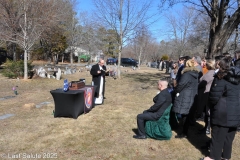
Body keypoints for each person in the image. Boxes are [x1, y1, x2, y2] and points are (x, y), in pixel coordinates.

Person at [202, 57, 240, 160]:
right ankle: (226, 157)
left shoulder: (220, 78)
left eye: (217, 65)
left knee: (218, 137)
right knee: (228, 138)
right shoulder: (238, 79)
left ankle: (214, 157)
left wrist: (210, 106)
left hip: (222, 113)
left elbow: (214, 97)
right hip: (235, 113)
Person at [172, 59, 199, 138]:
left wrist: (175, 91)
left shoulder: (187, 74)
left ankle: (184, 133)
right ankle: (185, 131)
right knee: (186, 114)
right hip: (191, 95)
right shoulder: (195, 73)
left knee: (184, 115)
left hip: (185, 96)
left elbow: (181, 85)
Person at [197, 59, 215, 135]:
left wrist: (197, 85)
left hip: (206, 94)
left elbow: (203, 83)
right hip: (205, 93)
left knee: (207, 112)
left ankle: (207, 128)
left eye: (206, 64)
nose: (205, 65)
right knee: (206, 111)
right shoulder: (209, 72)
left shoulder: (211, 73)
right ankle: (206, 127)